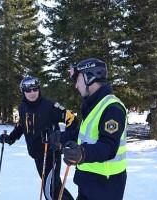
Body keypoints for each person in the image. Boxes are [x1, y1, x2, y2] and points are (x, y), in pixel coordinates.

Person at [0, 75, 78, 200]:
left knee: (50, 191)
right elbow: (22, 125)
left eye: (35, 89)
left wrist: (63, 140)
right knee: (55, 187)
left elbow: (71, 119)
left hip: (51, 154)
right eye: (28, 90)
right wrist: (10, 138)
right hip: (37, 155)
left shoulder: (50, 106)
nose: (32, 93)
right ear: (23, 91)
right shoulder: (22, 107)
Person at [60, 58, 127, 200]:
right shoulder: (93, 105)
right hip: (88, 182)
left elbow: (108, 147)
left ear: (89, 77)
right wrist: (58, 138)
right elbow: (84, 135)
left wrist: (82, 153)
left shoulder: (112, 108)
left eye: (77, 80)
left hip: (105, 186)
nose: (76, 86)